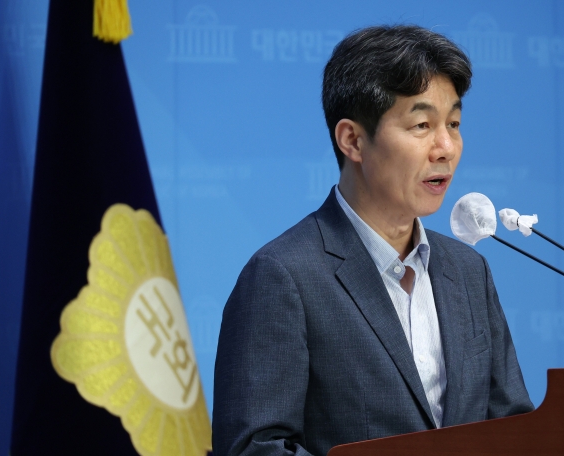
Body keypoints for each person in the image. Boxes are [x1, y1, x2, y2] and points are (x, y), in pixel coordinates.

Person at [212, 25, 534, 456]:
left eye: (453, 123)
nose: (446, 147)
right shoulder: (283, 276)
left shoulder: (468, 271)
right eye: (422, 124)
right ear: (353, 140)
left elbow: (515, 428)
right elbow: (255, 448)